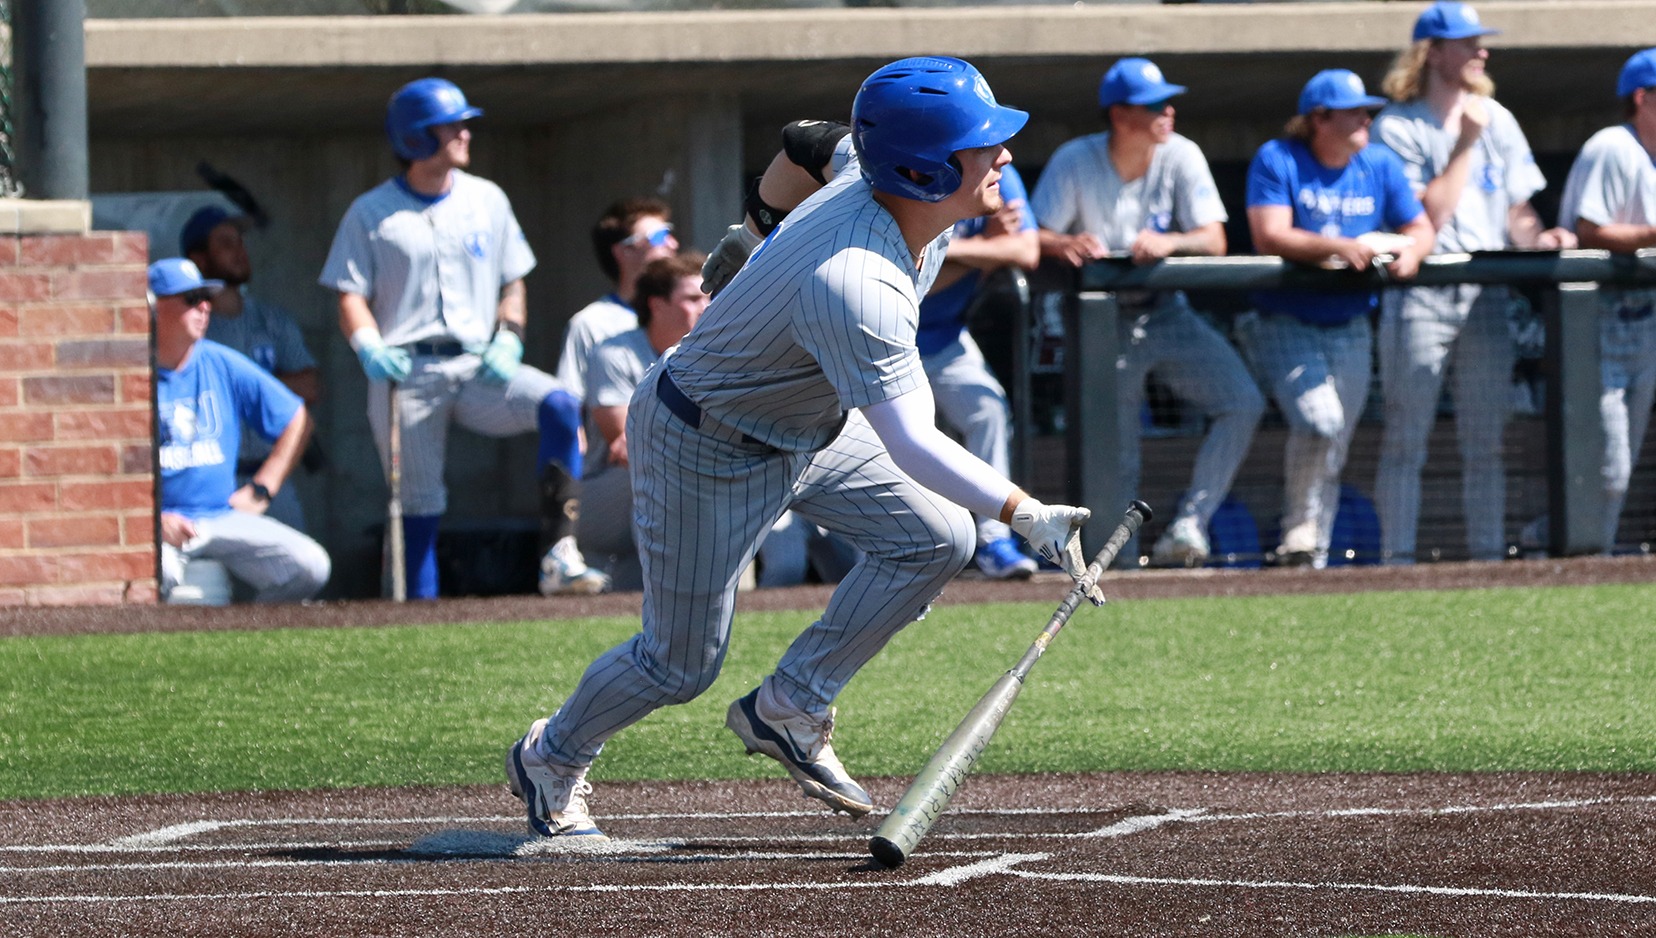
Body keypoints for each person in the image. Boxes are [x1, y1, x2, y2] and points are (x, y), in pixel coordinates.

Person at [504, 57, 1101, 840]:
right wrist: (1024, 512)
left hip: (805, 422)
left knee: (939, 537)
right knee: (677, 664)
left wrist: (750, 229)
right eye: (981, 143)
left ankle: (792, 703)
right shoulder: (857, 282)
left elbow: (806, 140)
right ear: (924, 170)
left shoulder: (882, 170)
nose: (1005, 155)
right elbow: (914, 440)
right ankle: (550, 754)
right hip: (704, 442)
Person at [319, 77, 607, 600]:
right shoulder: (370, 211)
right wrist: (368, 346)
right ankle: (418, 615)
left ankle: (559, 556)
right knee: (419, 501)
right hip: (407, 370)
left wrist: (510, 336)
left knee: (560, 404)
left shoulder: (487, 199)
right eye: (451, 126)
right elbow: (348, 294)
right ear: (416, 137)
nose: (464, 134)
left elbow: (511, 280)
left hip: (479, 364)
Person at [1030, 57, 1264, 568]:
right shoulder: (1076, 158)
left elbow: (1214, 239)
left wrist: (1170, 242)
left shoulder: (1180, 153)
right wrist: (1065, 241)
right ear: (1120, 115)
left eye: (1167, 101)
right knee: (1118, 455)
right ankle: (1117, 567)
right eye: (1155, 104)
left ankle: (1189, 526)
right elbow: (1033, 234)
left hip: (1166, 312)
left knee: (1242, 402)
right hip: (1103, 322)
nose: (1168, 111)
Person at [1371, 1, 1576, 564]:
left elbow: (1518, 209)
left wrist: (1541, 240)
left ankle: (1487, 562)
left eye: (1480, 41)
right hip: (1421, 295)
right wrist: (1464, 143)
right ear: (1433, 53)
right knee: (1405, 440)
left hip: (1486, 295)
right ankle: (1395, 563)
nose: (1481, 50)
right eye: (1467, 42)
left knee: (1486, 444)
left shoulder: (1497, 117)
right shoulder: (1397, 125)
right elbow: (1423, 222)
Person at [1242, 69, 1434, 568]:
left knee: (1335, 442)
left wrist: (1413, 254)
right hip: (1285, 319)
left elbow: (1419, 225)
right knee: (1320, 424)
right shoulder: (1279, 157)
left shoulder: (1377, 163)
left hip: (1350, 324)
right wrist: (1338, 246)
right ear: (1319, 119)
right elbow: (1269, 234)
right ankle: (1299, 533)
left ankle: (1312, 556)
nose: (1365, 118)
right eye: (1353, 111)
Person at [150, 258, 331, 603]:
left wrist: (262, 488)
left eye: (206, 298)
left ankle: (243, 641)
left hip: (220, 516)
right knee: (162, 576)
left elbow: (297, 417)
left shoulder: (220, 361)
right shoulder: (128, 374)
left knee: (310, 566)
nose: (204, 307)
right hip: (160, 525)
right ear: (154, 307)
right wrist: (153, 521)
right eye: (190, 299)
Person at [919, 162, 1040, 579]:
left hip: (947, 337)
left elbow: (1026, 251)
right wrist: (986, 250)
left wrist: (945, 251)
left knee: (987, 409)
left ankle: (994, 540)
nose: (1003, 155)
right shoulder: (917, 170)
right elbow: (905, 274)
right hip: (883, 336)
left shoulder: (999, 176)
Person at [1557, 48, 1656, 551]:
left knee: (1624, 464)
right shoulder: (1613, 147)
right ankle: (1552, 547)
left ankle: (1597, 561)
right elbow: (1589, 230)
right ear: (1642, 98)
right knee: (1609, 466)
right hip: (1595, 322)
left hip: (1644, 324)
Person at [181, 205, 322, 535]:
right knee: (212, 585)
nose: (240, 251)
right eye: (226, 243)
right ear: (199, 258)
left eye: (240, 242)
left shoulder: (271, 320)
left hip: (271, 477)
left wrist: (244, 387)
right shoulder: (191, 326)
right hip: (212, 481)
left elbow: (310, 387)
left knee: (302, 573)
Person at [575, 253, 708, 589]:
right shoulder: (614, 353)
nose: (707, 306)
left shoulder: (719, 352)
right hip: (606, 496)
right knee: (660, 468)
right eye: (693, 298)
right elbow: (625, 447)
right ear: (656, 305)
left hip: (685, 483)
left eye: (711, 296)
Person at [555, 198, 679, 408]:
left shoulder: (689, 313)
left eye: (669, 233)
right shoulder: (590, 324)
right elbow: (569, 405)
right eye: (659, 237)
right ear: (624, 251)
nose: (673, 244)